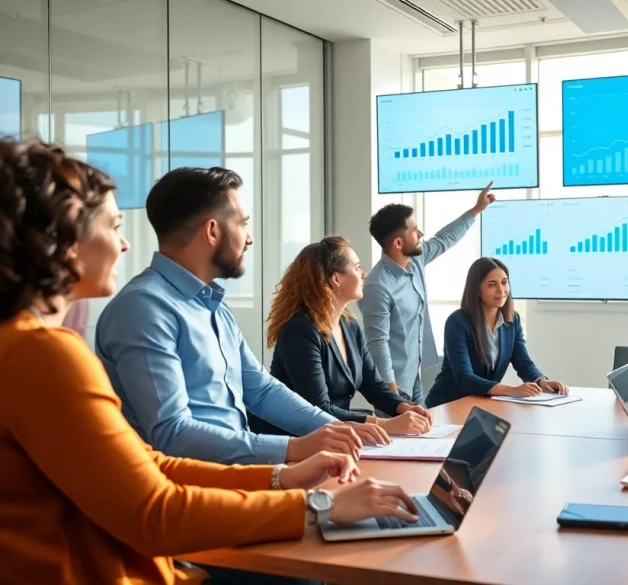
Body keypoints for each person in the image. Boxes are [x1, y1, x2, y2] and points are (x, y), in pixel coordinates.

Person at [0, 139, 419, 585]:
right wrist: (317, 503)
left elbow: (150, 462)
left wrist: (290, 469)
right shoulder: (47, 351)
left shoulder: (34, 347)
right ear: (65, 239)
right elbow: (157, 498)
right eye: (114, 225)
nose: (124, 244)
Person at [95, 167, 379, 467]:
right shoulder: (144, 308)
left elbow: (260, 389)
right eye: (243, 224)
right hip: (191, 492)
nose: (250, 239)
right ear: (213, 231)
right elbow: (172, 433)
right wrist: (293, 449)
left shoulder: (212, 305)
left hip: (236, 477)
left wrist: (337, 430)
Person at [250, 237, 434, 438]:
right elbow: (318, 408)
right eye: (357, 268)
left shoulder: (350, 326)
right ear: (336, 279)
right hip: (294, 440)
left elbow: (373, 385)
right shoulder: (299, 330)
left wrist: (403, 407)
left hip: (335, 436)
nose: (364, 274)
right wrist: (385, 425)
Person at [359, 182, 495, 405]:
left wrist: (476, 210)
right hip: (393, 386)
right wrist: (392, 399)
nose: (421, 233)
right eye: (414, 230)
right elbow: (378, 344)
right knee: (397, 440)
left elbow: (444, 239)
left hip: (414, 376)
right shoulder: (377, 286)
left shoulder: (415, 262)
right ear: (398, 242)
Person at [425, 257, 566, 408]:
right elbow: (464, 377)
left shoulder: (512, 321)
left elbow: (523, 362)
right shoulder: (457, 322)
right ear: (477, 290)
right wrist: (511, 390)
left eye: (504, 282)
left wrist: (542, 381)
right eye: (492, 284)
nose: (501, 290)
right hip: (448, 404)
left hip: (480, 404)